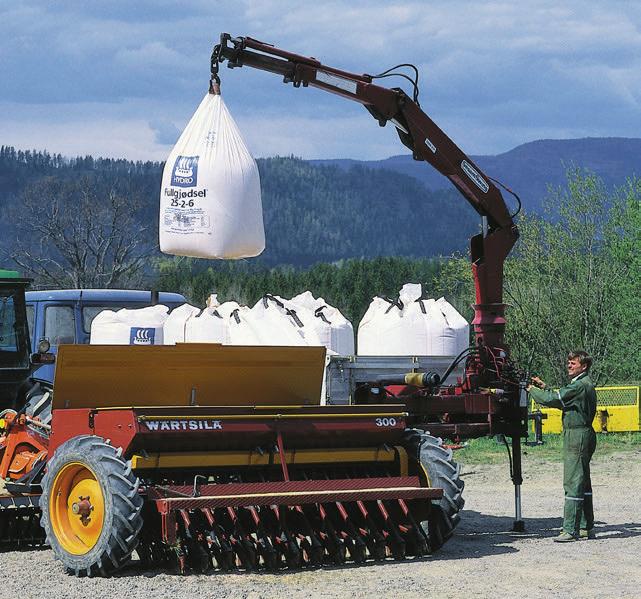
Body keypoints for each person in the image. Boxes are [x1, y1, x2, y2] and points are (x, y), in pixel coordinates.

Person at [527, 350, 597, 542]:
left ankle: (570, 530)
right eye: (569, 363)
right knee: (582, 481)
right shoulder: (581, 384)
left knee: (573, 481)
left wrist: (531, 389)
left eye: (573, 363)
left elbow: (553, 400)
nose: (569, 366)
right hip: (581, 433)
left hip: (577, 435)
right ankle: (585, 526)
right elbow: (563, 399)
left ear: (584, 366)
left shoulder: (580, 385)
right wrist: (545, 386)